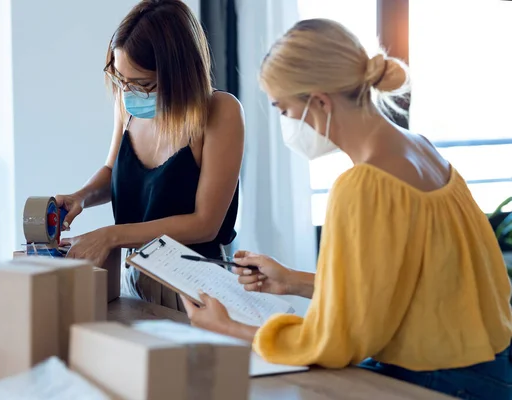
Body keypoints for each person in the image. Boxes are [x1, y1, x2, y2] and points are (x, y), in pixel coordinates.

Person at [181, 18, 512, 399]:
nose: (287, 125)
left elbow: (336, 343)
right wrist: (293, 280)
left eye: (285, 111)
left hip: (435, 382)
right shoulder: (422, 149)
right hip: (491, 371)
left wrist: (230, 328)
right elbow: (407, 284)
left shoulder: (363, 186)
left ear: (320, 101)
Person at [56, 0, 244, 311]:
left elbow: (205, 223)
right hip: (136, 276)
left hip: (197, 286)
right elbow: (112, 171)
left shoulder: (220, 113)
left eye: (142, 83)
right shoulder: (127, 104)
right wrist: (81, 197)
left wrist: (111, 236)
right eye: (121, 79)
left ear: (179, 73)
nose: (128, 91)